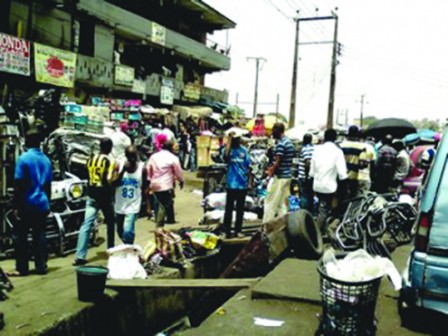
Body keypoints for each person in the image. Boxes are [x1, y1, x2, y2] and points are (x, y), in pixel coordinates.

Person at [9, 130, 52, 276]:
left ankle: (22, 268)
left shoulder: (24, 159)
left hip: (27, 204)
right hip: (42, 203)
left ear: (27, 142)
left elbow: (18, 184)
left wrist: (15, 206)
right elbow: (48, 186)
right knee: (40, 235)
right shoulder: (46, 160)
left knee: (20, 236)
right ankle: (41, 266)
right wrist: (49, 204)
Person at [73, 138, 116, 266]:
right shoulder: (109, 161)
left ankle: (80, 255)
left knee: (86, 224)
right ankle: (111, 250)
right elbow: (108, 180)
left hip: (92, 194)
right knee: (110, 223)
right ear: (109, 148)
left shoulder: (90, 159)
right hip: (104, 196)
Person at [310, 129, 348, 231]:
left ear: (325, 138)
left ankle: (322, 228)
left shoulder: (316, 149)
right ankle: (315, 233)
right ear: (335, 138)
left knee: (321, 208)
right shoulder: (337, 151)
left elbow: (311, 171)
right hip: (329, 187)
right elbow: (342, 174)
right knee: (324, 210)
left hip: (317, 185)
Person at [263, 123, 295, 222]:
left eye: (273, 130)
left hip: (280, 177)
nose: (272, 133)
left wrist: (270, 173)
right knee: (282, 204)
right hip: (287, 176)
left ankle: (266, 225)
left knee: (270, 202)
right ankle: (284, 225)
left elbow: (277, 162)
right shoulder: (289, 142)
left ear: (278, 130)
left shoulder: (281, 144)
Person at [114, 145, 146, 244]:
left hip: (133, 204)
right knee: (120, 230)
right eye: (129, 156)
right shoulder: (119, 166)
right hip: (120, 204)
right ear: (126, 156)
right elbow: (113, 183)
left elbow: (145, 187)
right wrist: (123, 171)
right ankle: (127, 245)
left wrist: (147, 205)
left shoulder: (142, 168)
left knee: (128, 230)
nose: (132, 159)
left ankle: (129, 249)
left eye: (134, 156)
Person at [147, 141, 184, 226]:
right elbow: (178, 171)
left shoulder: (154, 156)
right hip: (166, 185)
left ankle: (159, 221)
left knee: (158, 202)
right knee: (164, 205)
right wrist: (181, 180)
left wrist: (149, 180)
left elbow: (149, 168)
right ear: (171, 148)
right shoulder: (173, 158)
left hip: (155, 184)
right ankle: (159, 225)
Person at [222, 133, 252, 238]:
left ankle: (238, 230)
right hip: (231, 184)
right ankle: (226, 230)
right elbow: (224, 158)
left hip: (242, 184)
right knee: (229, 209)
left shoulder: (244, 151)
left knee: (240, 209)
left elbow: (249, 166)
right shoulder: (228, 151)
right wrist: (229, 142)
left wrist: (249, 182)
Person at [340, 126, 375, 197]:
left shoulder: (340, 146)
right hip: (355, 178)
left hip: (343, 178)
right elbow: (363, 165)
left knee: (343, 200)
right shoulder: (362, 147)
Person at [297, 133, 314, 212]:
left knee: (304, 196)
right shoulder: (314, 148)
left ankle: (304, 213)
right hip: (311, 177)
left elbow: (307, 162)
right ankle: (310, 213)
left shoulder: (305, 149)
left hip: (304, 176)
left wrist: (307, 176)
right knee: (310, 196)